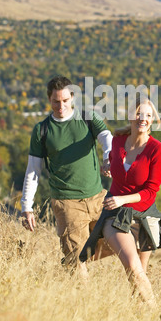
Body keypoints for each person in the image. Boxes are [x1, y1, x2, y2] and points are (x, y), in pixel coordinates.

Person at [80, 97, 161, 305]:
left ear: (153, 120)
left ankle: (141, 319)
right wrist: (107, 167)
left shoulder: (157, 150)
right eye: (139, 113)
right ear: (131, 116)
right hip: (115, 214)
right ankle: (159, 317)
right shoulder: (118, 141)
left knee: (138, 276)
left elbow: (150, 192)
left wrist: (123, 199)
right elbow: (113, 164)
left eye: (148, 115)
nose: (143, 119)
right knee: (133, 266)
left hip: (145, 216)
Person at [21, 75, 113, 276]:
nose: (60, 106)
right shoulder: (42, 130)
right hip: (67, 204)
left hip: (98, 198)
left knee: (124, 241)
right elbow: (33, 170)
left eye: (64, 100)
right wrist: (26, 207)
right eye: (56, 101)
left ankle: (72, 259)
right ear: (49, 100)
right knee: (77, 263)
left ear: (72, 97)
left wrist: (108, 157)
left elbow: (106, 136)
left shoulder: (88, 118)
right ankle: (76, 275)